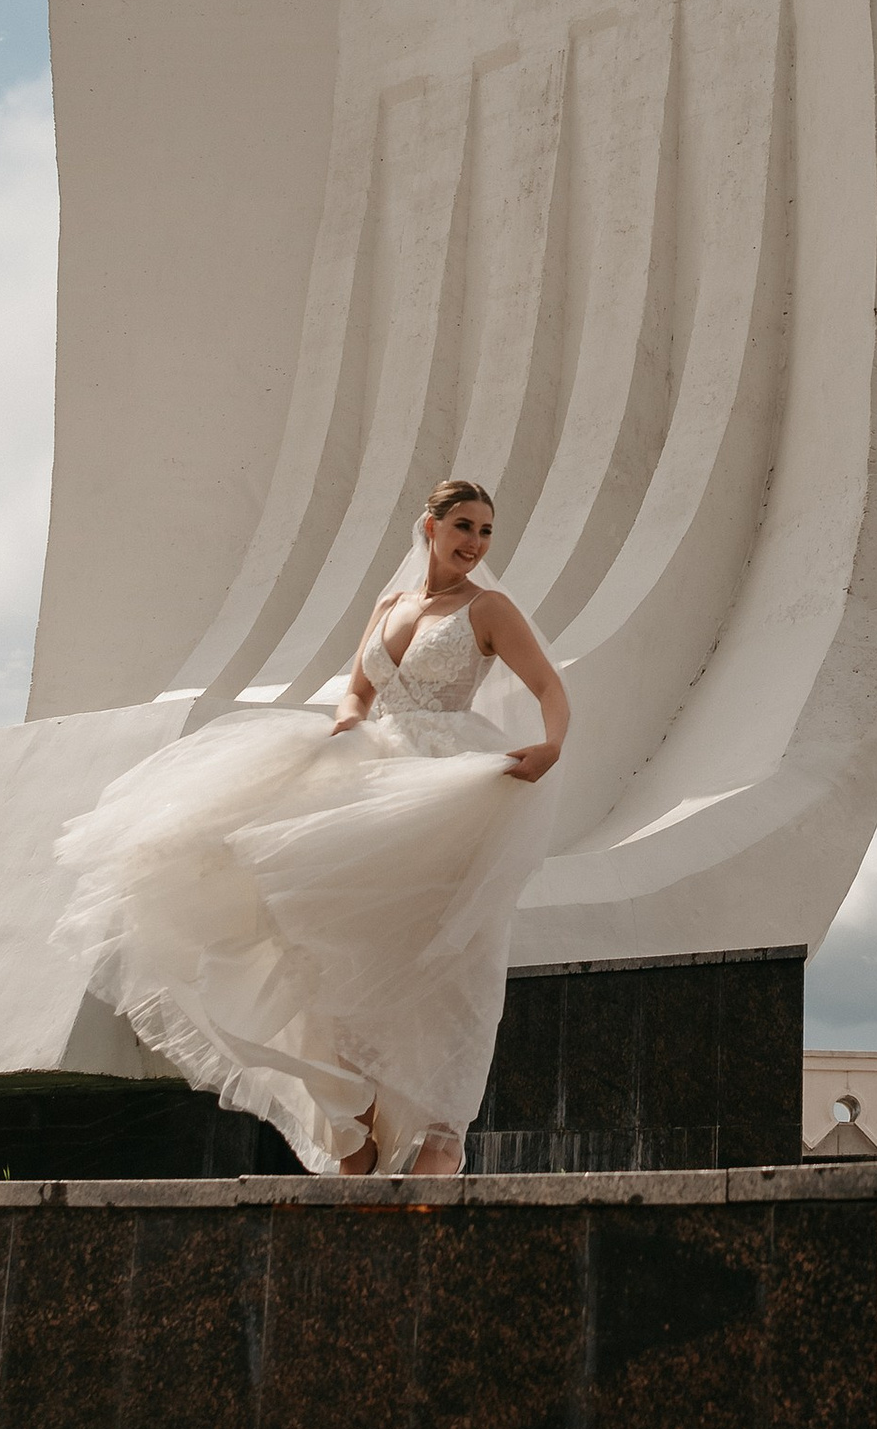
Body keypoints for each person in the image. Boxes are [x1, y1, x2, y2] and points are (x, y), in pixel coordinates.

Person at [50, 481, 568, 1175]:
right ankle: (352, 1120)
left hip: (444, 787)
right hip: (374, 773)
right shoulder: (390, 605)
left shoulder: (489, 608)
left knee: (444, 960)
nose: (474, 543)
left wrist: (552, 744)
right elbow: (358, 687)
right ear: (430, 526)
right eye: (463, 526)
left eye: (485, 532)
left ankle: (439, 1135)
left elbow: (548, 686)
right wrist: (350, 723)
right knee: (312, 932)